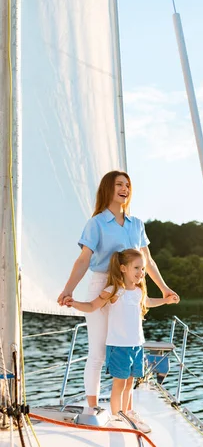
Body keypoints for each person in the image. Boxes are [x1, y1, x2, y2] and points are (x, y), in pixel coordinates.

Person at [57, 170, 179, 408]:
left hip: (131, 291)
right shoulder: (96, 223)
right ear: (108, 189)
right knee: (98, 352)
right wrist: (68, 290)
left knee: (129, 345)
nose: (125, 188)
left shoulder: (137, 225)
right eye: (119, 184)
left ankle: (124, 409)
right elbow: (83, 260)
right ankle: (92, 408)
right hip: (102, 286)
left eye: (127, 185)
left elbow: (148, 261)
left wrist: (164, 289)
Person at [65, 249, 176, 432]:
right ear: (123, 268)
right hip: (119, 347)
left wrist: (166, 301)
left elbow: (147, 302)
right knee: (119, 384)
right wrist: (74, 302)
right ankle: (116, 417)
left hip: (136, 346)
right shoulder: (113, 290)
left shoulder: (139, 291)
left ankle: (127, 413)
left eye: (143, 269)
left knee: (130, 383)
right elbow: (92, 306)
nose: (141, 272)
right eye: (137, 268)